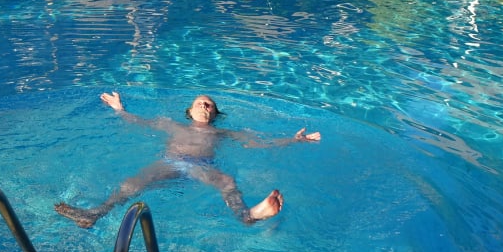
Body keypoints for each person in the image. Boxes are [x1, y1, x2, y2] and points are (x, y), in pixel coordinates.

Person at [54, 92, 321, 227]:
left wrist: (295, 140)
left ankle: (249, 215)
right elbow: (138, 122)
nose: (205, 106)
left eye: (210, 105)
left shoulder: (224, 132)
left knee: (227, 181)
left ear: (215, 114)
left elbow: (262, 143)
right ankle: (94, 214)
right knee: (132, 184)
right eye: (200, 103)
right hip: (170, 162)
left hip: (203, 167)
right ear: (189, 111)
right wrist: (120, 109)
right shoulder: (170, 125)